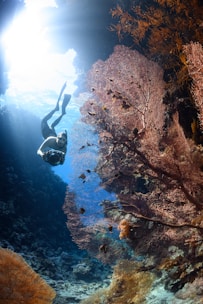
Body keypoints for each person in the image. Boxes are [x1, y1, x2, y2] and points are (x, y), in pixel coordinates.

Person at [37, 82, 71, 166]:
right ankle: (56, 109)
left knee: (51, 125)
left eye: (63, 140)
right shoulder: (51, 141)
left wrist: (43, 155)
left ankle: (62, 113)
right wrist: (42, 154)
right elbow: (39, 150)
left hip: (47, 134)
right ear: (57, 138)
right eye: (60, 139)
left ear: (65, 141)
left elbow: (39, 151)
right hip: (49, 134)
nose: (61, 141)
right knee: (44, 121)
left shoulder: (63, 147)